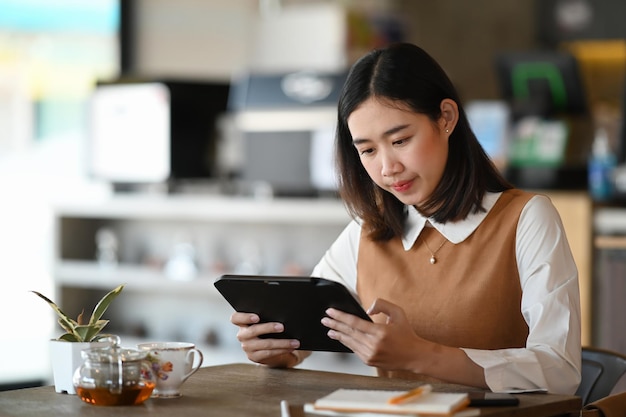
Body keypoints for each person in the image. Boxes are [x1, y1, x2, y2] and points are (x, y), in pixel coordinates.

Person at [230, 42, 581, 395]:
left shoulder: (525, 218)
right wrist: (275, 348)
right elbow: (304, 335)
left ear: (446, 118)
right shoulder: (368, 231)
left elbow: (559, 371)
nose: (387, 168)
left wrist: (421, 356)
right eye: (367, 150)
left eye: (400, 140)